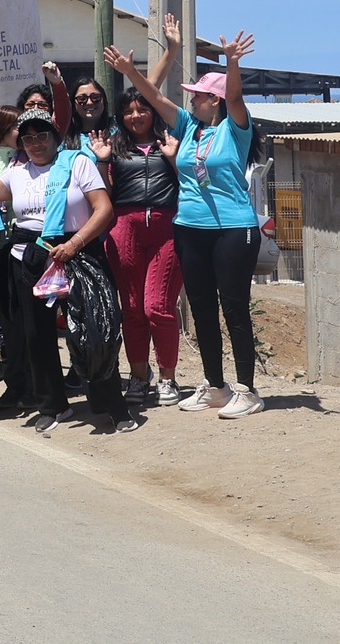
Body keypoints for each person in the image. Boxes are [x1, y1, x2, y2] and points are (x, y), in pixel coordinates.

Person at [106, 30, 267, 419]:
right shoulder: (188, 127)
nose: (190, 99)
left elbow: (235, 98)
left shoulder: (234, 128)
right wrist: (130, 72)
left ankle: (247, 390)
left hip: (233, 229)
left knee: (234, 307)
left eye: (197, 95)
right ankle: (216, 386)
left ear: (213, 100)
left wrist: (231, 62)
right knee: (201, 307)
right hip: (190, 228)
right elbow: (155, 98)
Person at [0, 111, 126, 433]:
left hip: (77, 252)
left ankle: (111, 405)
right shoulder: (16, 172)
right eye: (28, 138)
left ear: (55, 137)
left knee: (92, 331)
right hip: (30, 258)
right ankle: (53, 405)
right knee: (37, 336)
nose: (36, 143)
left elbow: (103, 209)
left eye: (42, 135)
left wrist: (74, 243)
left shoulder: (77, 163)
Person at [105, 90, 184, 407]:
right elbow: (104, 193)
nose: (135, 116)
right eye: (128, 111)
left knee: (158, 308)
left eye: (142, 109)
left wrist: (174, 158)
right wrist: (101, 159)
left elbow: (193, 183)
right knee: (133, 309)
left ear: (154, 112)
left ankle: (168, 379)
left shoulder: (172, 141)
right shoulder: (113, 147)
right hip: (125, 227)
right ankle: (138, 378)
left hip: (167, 228)